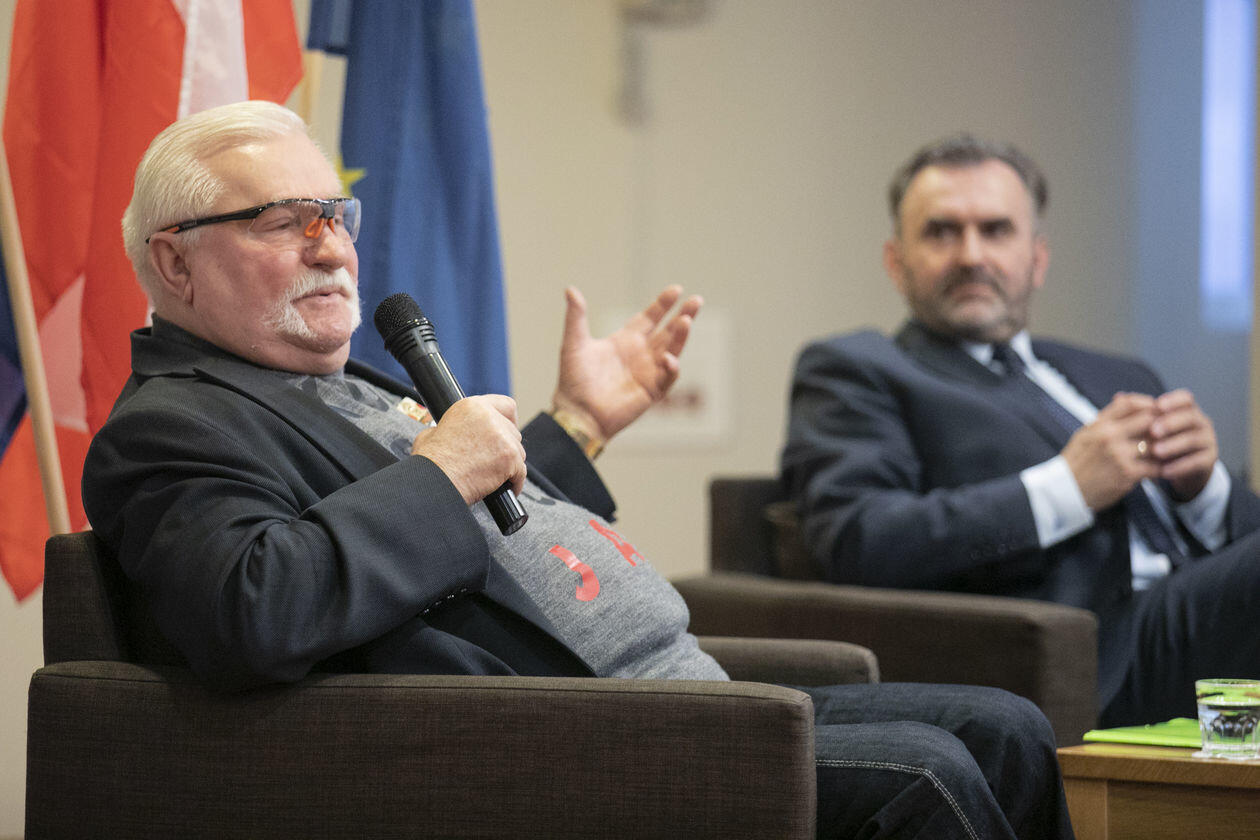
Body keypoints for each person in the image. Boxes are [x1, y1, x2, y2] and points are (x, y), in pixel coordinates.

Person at [83, 102, 1073, 839]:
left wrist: (579, 427)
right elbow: (253, 609)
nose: (332, 248)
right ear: (176, 263)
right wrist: (439, 472)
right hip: (573, 735)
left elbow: (477, 528)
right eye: (283, 221)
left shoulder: (334, 385)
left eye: (336, 215)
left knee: (1009, 727)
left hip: (676, 683)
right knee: (928, 773)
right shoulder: (170, 426)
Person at [781, 133, 1260, 729]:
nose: (971, 255)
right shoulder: (859, 369)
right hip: (1090, 658)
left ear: (1037, 258)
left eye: (996, 230)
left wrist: (1204, 492)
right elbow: (860, 539)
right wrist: (1068, 487)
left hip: (1208, 613)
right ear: (896, 262)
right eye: (941, 232)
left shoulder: (1118, 374)